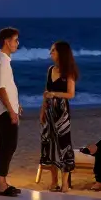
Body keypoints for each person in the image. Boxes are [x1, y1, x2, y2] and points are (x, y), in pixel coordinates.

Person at [40, 41, 79, 192]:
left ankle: (65, 183)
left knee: (63, 144)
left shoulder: (68, 71)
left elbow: (70, 94)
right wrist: (42, 110)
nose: (51, 53)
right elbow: (46, 92)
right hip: (49, 111)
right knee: (49, 144)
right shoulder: (50, 70)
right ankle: (54, 180)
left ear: (61, 53)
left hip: (61, 113)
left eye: (53, 51)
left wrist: (54, 94)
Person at [0, 27, 23, 197]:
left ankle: (2, 182)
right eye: (15, 40)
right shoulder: (2, 61)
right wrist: (11, 110)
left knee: (8, 146)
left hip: (6, 108)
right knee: (8, 146)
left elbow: (6, 88)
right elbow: (1, 88)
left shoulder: (1, 60)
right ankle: (0, 184)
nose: (17, 43)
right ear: (7, 41)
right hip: (5, 110)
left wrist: (17, 105)